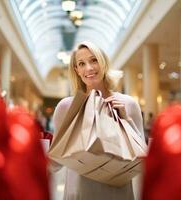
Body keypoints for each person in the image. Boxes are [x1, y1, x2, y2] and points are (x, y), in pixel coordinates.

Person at [50, 41, 145, 200]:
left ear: (103, 62)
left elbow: (142, 157)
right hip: (79, 192)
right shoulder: (66, 107)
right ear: (77, 70)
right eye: (81, 63)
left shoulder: (128, 104)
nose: (89, 68)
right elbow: (56, 163)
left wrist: (125, 119)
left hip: (117, 193)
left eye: (94, 60)